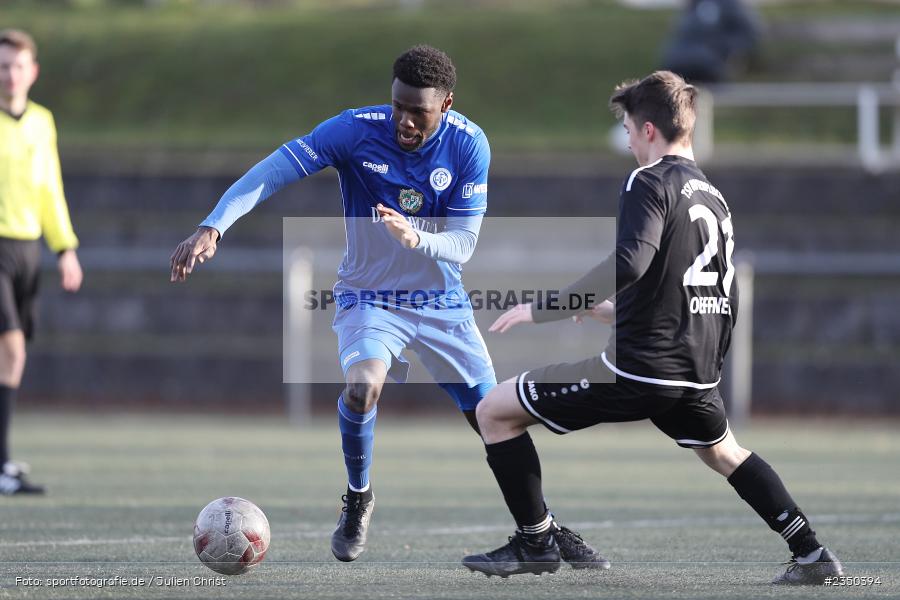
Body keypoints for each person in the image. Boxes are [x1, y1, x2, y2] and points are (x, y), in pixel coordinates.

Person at [170, 45, 606, 568]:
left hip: (442, 302)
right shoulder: (355, 129)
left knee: (494, 416)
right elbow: (275, 169)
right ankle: (358, 497)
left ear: (446, 104)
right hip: (369, 296)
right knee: (362, 387)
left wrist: (416, 237)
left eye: (417, 111)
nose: (404, 119)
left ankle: (543, 531)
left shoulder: (470, 145)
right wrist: (215, 223)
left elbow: (464, 243)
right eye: (398, 105)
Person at [461, 70, 843, 586]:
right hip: (697, 371)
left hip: (640, 372)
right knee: (726, 453)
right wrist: (615, 314)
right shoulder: (712, 194)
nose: (625, 138)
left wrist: (548, 306)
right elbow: (695, 291)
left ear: (646, 130)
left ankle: (536, 540)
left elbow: (630, 262)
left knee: (494, 412)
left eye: (625, 126)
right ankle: (812, 554)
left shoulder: (649, 180)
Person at [0, 29, 83, 496]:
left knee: (14, 356)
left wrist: (64, 247)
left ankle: (2, 464)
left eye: (17, 65)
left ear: (31, 72)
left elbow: (50, 188)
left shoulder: (41, 122)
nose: (9, 74)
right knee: (10, 347)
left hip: (27, 249)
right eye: (2, 65)